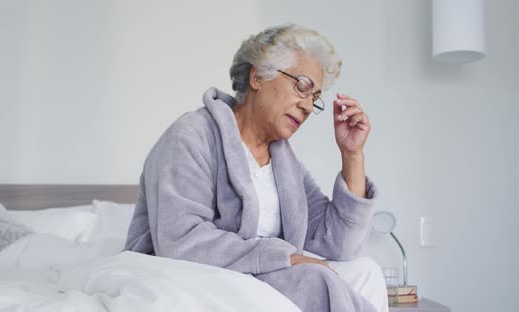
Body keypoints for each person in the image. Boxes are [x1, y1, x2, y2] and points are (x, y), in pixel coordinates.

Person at [125, 24, 388, 312]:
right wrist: (281, 256)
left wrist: (352, 154)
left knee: (365, 270)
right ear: (258, 76)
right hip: (197, 279)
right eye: (302, 87)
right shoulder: (190, 136)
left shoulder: (286, 164)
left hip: (262, 277)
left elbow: (340, 245)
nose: (308, 106)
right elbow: (180, 240)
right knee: (314, 281)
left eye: (315, 97)